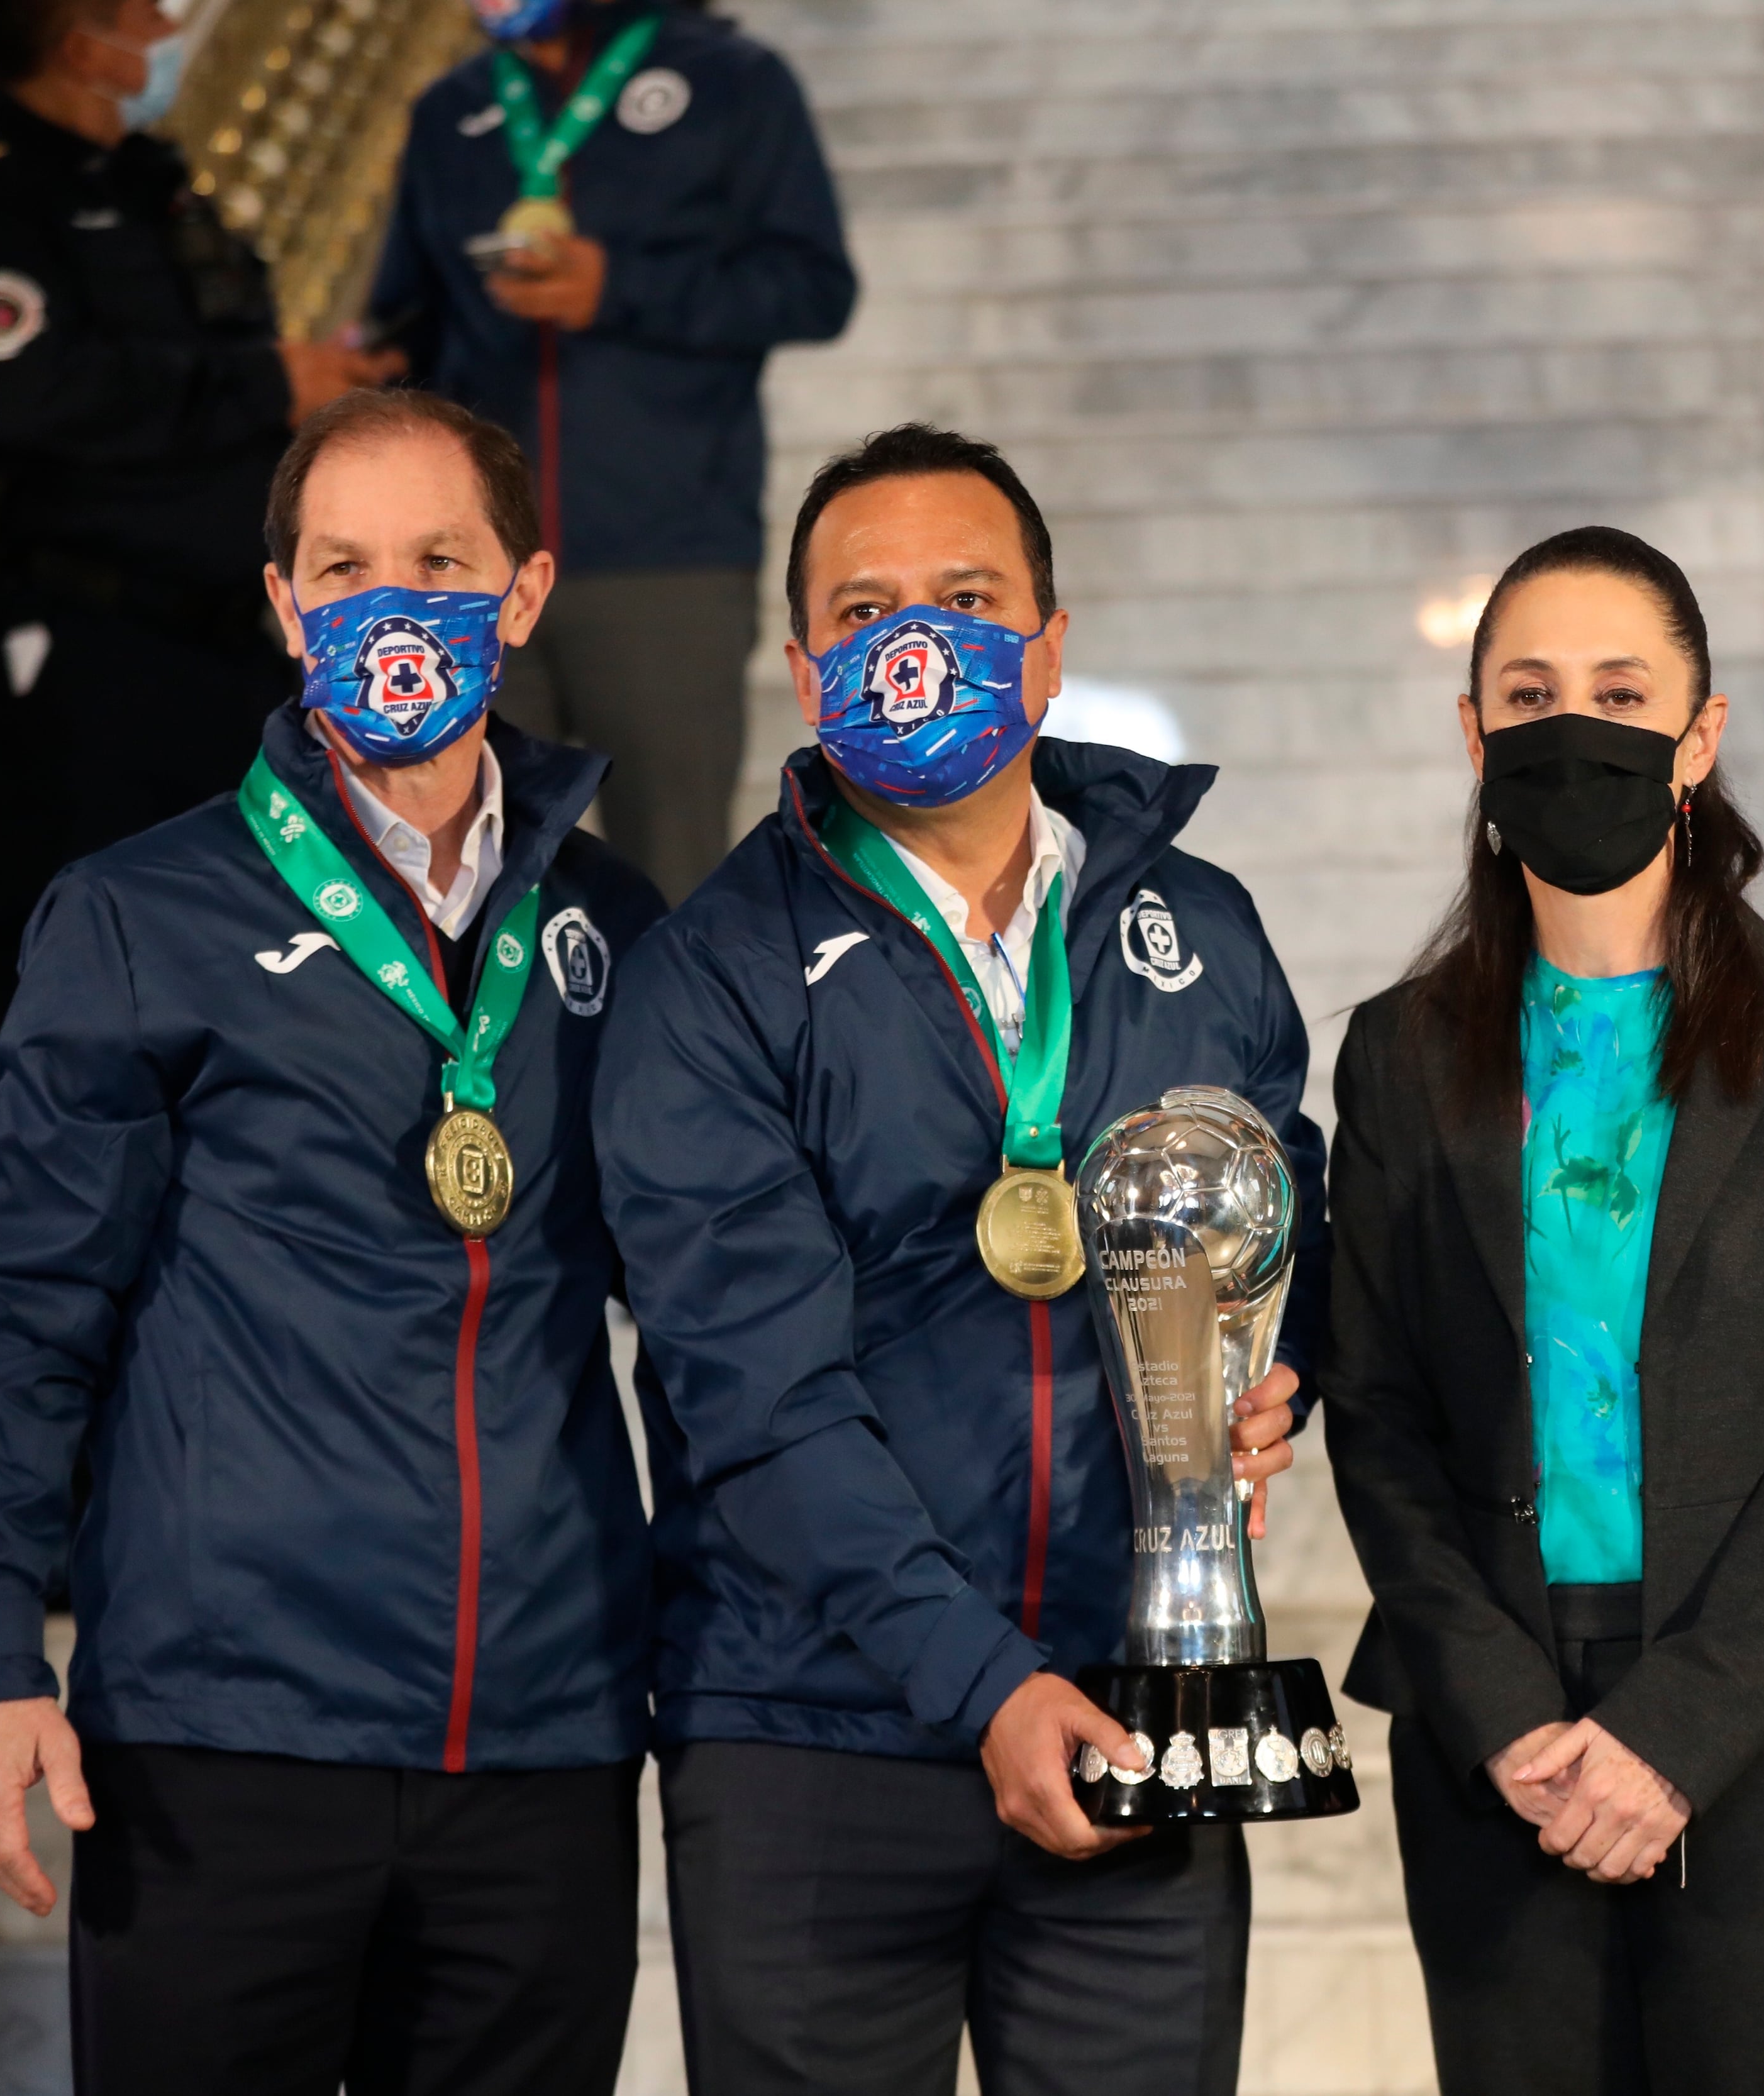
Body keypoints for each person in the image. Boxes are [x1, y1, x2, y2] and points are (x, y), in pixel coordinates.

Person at [0, 389, 663, 2096]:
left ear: (526, 590)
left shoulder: (617, 930)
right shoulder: (135, 915)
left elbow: (721, 1316)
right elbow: (32, 1318)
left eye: (439, 560)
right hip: (220, 1736)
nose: (388, 604)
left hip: (541, 1743)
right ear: (282, 607)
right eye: (343, 566)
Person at [593, 422, 1326, 2093]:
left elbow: (1292, 1192)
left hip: (1145, 1695)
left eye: (968, 595)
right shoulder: (710, 975)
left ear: (1053, 644)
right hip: (808, 1733)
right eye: (866, 608)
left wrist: (1284, 1363)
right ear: (801, 667)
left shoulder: (1194, 924)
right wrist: (983, 1683)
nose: (915, 637)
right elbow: (751, 1394)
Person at [1319, 526, 1764, 2094]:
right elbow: (1379, 1412)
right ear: (1474, 736)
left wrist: (1674, 1725)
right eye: (1527, 692)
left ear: (1699, 732)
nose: (1570, 724)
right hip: (1499, 1736)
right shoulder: (1398, 1051)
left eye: (1619, 688)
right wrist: (1506, 1711)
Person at [0, 0, 398, 1148]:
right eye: (141, 13)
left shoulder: (161, 184)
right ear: (79, 39)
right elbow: (40, 392)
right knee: (79, 996)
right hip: (82, 664)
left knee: (253, 983)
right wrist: (263, 387)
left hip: (227, 655)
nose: (169, 27)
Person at [372, 0, 856, 904]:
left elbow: (813, 286)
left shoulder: (732, 81)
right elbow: (409, 315)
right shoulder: (451, 108)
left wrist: (621, 289)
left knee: (672, 880)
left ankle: (685, 1053)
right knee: (468, 881)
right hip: (476, 572)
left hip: (667, 554)